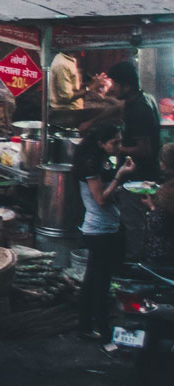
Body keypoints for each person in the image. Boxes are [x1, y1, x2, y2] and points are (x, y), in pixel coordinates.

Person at [73, 123, 136, 341]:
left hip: (108, 227)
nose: (119, 146)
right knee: (100, 283)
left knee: (93, 281)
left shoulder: (103, 160)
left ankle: (86, 328)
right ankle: (101, 329)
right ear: (101, 143)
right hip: (98, 231)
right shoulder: (91, 163)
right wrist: (120, 176)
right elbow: (100, 199)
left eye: (120, 141)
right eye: (114, 142)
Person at [106, 61, 162, 183]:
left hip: (140, 178)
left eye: (115, 84)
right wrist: (92, 121)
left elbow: (144, 150)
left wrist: (116, 148)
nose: (112, 89)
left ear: (126, 87)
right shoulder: (142, 98)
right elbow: (118, 107)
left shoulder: (139, 110)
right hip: (137, 173)